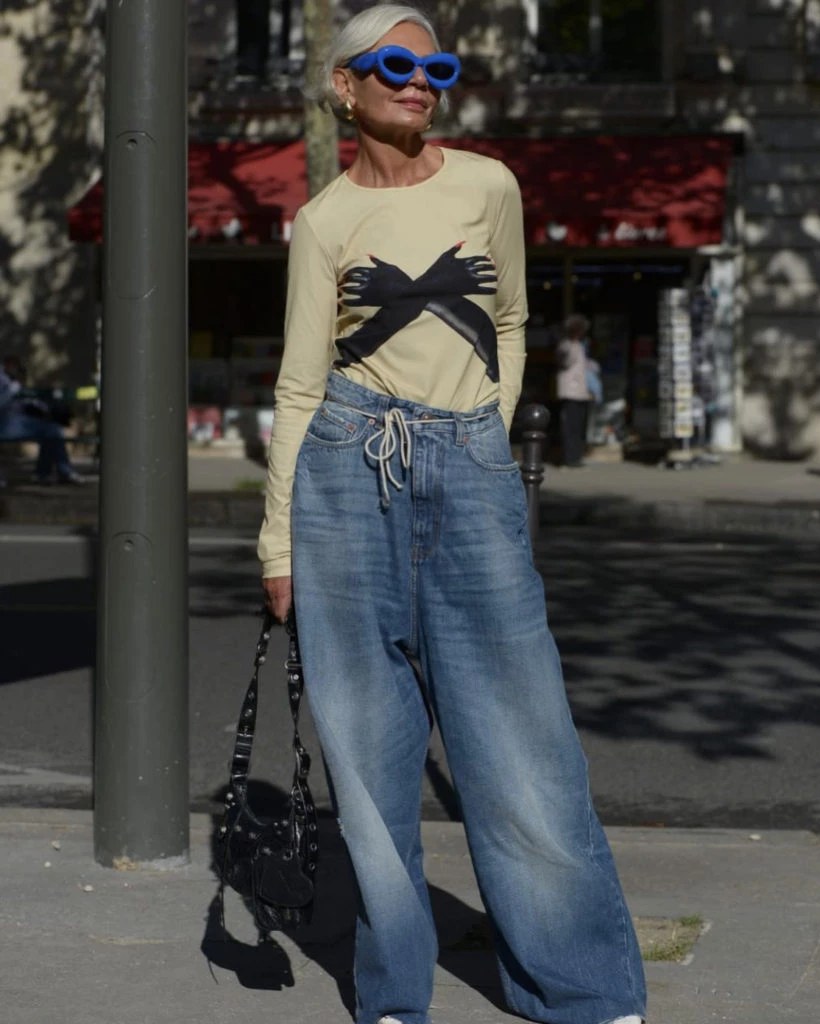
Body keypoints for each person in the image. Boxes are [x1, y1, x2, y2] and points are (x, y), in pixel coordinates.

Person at [258, 6, 646, 1024]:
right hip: (343, 471)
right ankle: (393, 994)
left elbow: (510, 321)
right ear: (346, 86)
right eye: (396, 64)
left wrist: (480, 429)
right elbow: (299, 386)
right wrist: (277, 537)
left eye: (436, 65)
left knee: (521, 739)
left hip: (465, 458)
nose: (420, 80)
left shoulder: (487, 184)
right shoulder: (325, 219)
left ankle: (580, 988)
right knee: (368, 751)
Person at [0, 356, 83, 485]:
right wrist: (12, 390)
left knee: (52, 429)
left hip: (18, 422)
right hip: (4, 424)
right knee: (48, 430)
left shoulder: (12, 380)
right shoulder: (5, 381)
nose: (15, 369)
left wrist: (41, 407)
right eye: (12, 366)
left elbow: (23, 402)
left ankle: (53, 472)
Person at [556, 314, 592, 467]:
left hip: (579, 392)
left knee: (578, 427)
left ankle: (576, 457)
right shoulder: (567, 345)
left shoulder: (579, 345)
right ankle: (570, 458)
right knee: (570, 427)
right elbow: (565, 361)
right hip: (570, 392)